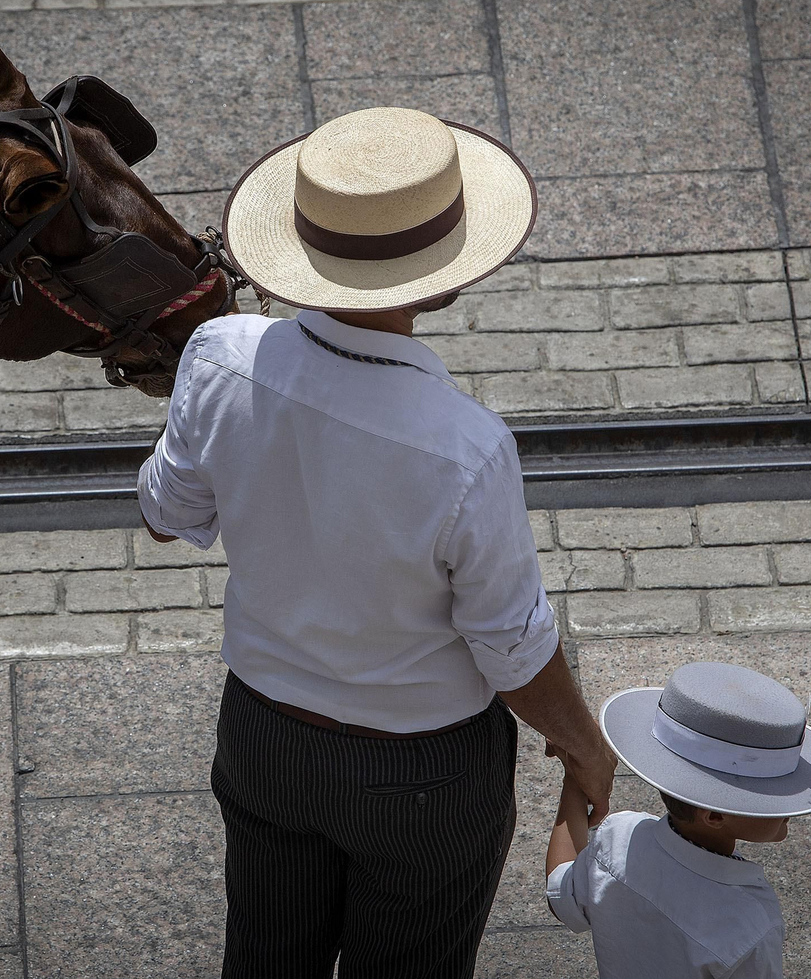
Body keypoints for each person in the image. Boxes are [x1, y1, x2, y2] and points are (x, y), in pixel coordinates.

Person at [136, 107, 616, 978]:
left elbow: (168, 518)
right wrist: (584, 744)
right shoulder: (467, 448)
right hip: (424, 772)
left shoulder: (215, 356)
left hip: (263, 738)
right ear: (439, 279)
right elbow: (510, 648)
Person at [545, 661, 811, 979]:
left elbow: (560, 894)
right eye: (773, 796)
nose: (792, 806)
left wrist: (575, 778)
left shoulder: (617, 839)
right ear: (715, 815)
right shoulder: (751, 924)